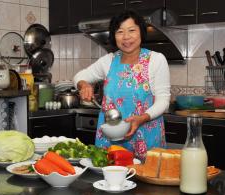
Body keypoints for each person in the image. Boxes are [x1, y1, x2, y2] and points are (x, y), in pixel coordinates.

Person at [73, 9, 170, 160]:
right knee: (108, 181)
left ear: (141, 32)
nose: (126, 37)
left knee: (144, 180)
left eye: (131, 30)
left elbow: (163, 101)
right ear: (114, 36)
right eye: (120, 32)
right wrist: (83, 85)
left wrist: (142, 118)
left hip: (145, 136)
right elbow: (79, 76)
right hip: (109, 140)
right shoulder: (108, 61)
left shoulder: (156, 60)